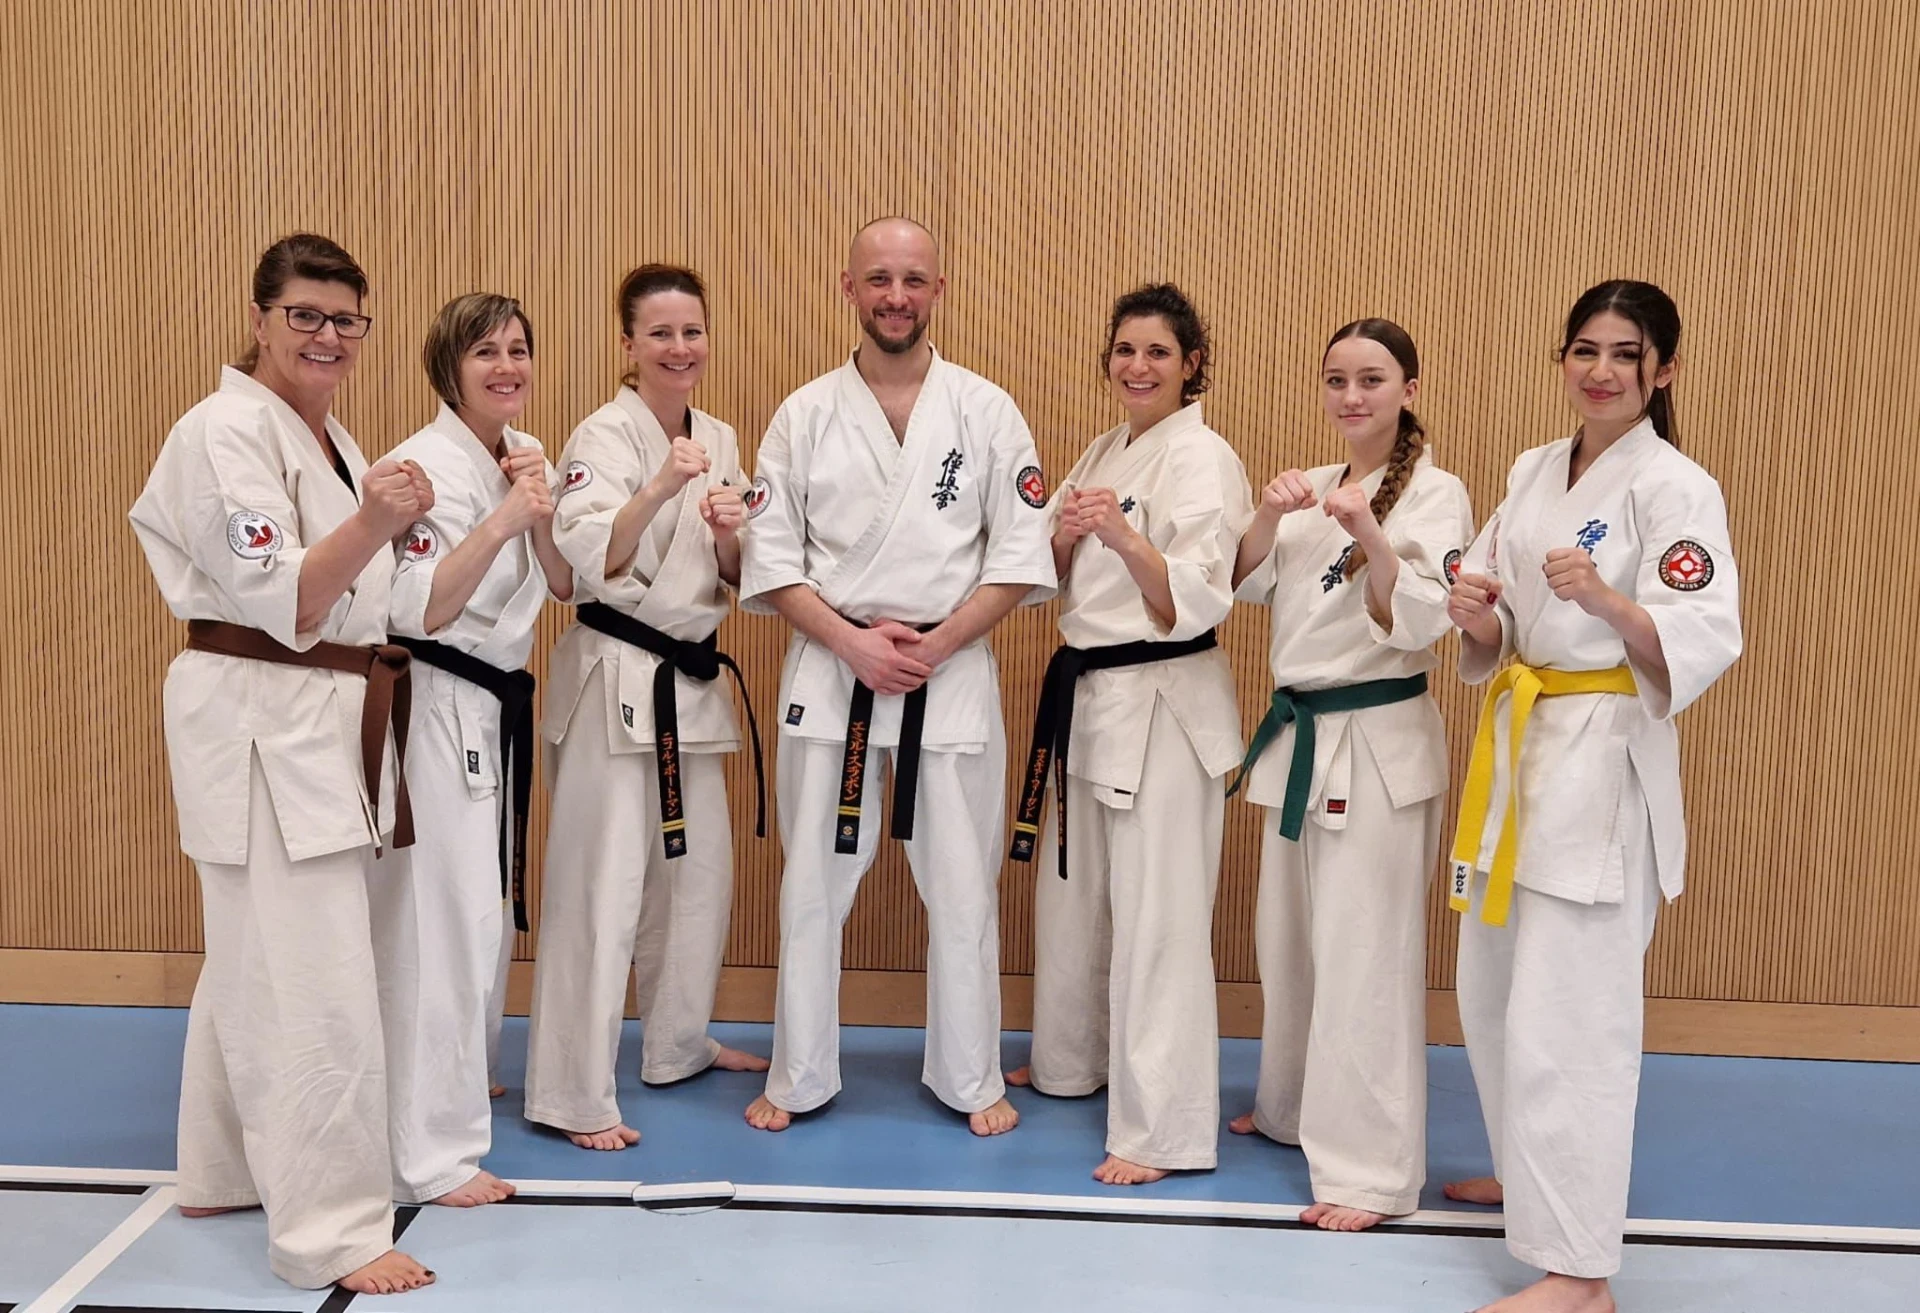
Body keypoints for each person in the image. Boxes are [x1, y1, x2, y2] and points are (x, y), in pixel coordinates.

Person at [128, 233, 435, 1294]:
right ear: (259, 318)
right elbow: (290, 597)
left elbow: (373, 598)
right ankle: (331, 1233)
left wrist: (391, 520)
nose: (328, 336)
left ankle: (217, 1169)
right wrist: (377, 519)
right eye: (305, 314)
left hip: (316, 713)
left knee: (255, 953)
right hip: (265, 711)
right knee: (313, 979)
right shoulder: (223, 431)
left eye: (347, 319)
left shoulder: (327, 437)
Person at [1444, 281, 1742, 1313]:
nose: (1602, 370)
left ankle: (1579, 1270)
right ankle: (1531, 1182)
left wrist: (1609, 600)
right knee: (1492, 990)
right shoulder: (1534, 468)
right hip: (1521, 753)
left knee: (1572, 1019)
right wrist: (1474, 611)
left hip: (1602, 763)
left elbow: (1704, 635)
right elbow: (1494, 620)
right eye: (1585, 349)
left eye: (1626, 353)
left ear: (1664, 369)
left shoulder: (1677, 487)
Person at [739, 217, 1054, 1136]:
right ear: (849, 287)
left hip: (945, 670)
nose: (896, 296)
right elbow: (771, 561)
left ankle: (970, 1075)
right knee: (812, 886)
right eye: (878, 278)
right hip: (833, 668)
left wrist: (936, 642)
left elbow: (1020, 556)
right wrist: (854, 643)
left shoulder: (986, 410)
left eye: (913, 279)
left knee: (961, 886)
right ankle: (799, 1075)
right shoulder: (804, 414)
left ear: (938, 289)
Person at [1224, 319, 1473, 1229]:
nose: (1352, 395)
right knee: (1289, 940)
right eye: (1337, 379)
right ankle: (1291, 1109)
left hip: (1375, 742)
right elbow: (1238, 586)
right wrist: (1266, 513)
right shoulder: (1315, 484)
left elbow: (1425, 618)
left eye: (1372, 378)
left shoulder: (1436, 493)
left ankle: (1370, 1171)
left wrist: (1370, 532)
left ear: (1411, 387)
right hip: (1300, 736)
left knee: (1365, 955)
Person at [1004, 283, 1251, 1184]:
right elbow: (1045, 573)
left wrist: (1117, 534)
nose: (1137, 366)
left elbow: (1200, 594)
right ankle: (1072, 1062)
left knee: (1159, 920)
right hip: (1093, 695)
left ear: (1192, 365)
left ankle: (1164, 1131)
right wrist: (1070, 537)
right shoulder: (1105, 448)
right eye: (1125, 350)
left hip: (1165, 700)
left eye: (1158, 352)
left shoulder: (1203, 458)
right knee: (1076, 896)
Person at [523, 264, 767, 1152]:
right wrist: (663, 485)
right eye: (660, 332)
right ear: (628, 343)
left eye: (692, 331)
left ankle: (675, 1043)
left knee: (696, 880)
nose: (679, 347)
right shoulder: (601, 432)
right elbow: (588, 559)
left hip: (690, 684)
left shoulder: (722, 436)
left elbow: (734, 573)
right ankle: (569, 1090)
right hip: (615, 680)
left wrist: (732, 531)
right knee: (601, 889)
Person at [372, 293, 572, 1206]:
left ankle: (456, 1091)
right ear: (448, 367)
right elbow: (419, 607)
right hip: (434, 701)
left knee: (481, 922)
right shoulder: (417, 468)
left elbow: (563, 584)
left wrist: (537, 507)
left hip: (493, 706)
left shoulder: (521, 454)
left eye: (519, 349)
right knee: (441, 928)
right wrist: (502, 518)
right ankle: (428, 1156)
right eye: (486, 351)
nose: (507, 366)